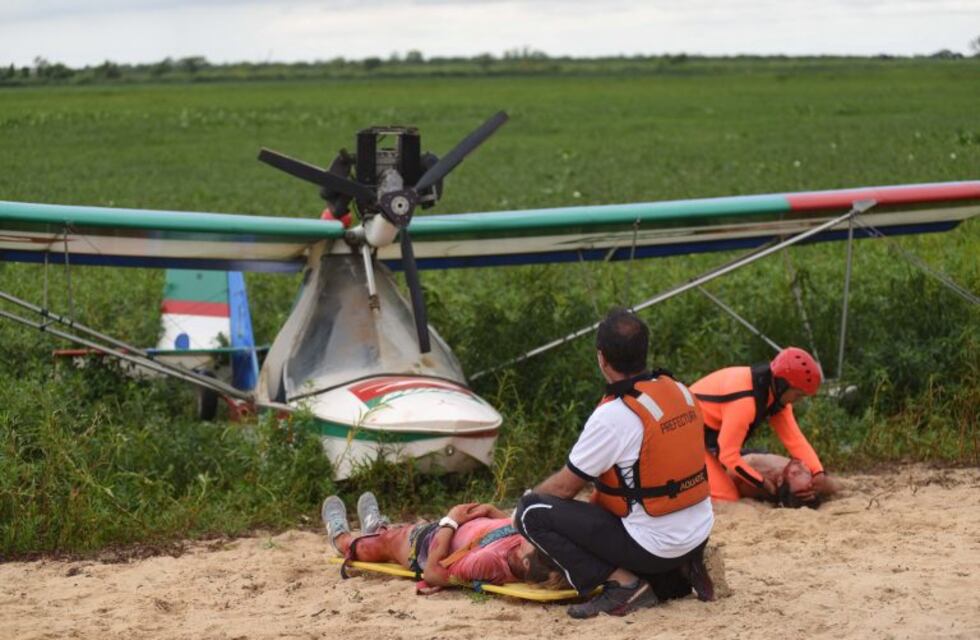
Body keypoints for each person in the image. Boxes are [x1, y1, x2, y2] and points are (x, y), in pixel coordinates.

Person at [514, 308, 715, 619]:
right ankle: (682, 569)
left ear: (601, 358)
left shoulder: (614, 414)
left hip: (656, 546)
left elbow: (564, 488)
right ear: (645, 352)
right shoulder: (680, 391)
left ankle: (624, 585)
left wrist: (522, 505)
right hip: (698, 534)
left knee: (532, 513)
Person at [322, 491, 567, 594]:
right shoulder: (521, 542)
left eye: (534, 544)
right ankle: (376, 527)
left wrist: (450, 521)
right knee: (396, 532)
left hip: (424, 548)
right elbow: (502, 525)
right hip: (442, 532)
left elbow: (433, 572)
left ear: (525, 561)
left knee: (388, 541)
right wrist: (489, 511)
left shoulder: (488, 562)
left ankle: (341, 538)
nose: (534, 538)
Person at [690, 347, 837, 503]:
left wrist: (818, 472)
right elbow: (728, 456)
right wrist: (762, 482)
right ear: (783, 384)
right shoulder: (745, 402)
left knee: (732, 482)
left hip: (705, 438)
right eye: (798, 394)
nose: (798, 400)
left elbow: (795, 440)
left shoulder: (775, 397)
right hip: (683, 437)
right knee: (727, 497)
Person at [728, 453, 841, 507]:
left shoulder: (761, 472)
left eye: (795, 473)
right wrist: (822, 484)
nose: (801, 464)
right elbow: (835, 486)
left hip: (738, 457)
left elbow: (730, 468)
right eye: (807, 473)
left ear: (780, 481)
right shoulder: (799, 473)